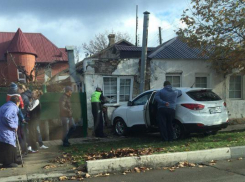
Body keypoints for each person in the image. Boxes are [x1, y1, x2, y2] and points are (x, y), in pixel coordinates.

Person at [6, 82, 27, 155]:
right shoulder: (18, 96)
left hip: (15, 120)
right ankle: (23, 150)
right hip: (18, 119)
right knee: (21, 135)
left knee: (18, 135)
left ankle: (22, 150)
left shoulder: (9, 95)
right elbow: (21, 107)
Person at [0, 96, 21, 168]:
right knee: (8, 144)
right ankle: (8, 162)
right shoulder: (13, 107)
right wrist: (14, 125)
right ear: (17, 102)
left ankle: (13, 159)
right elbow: (7, 116)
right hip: (6, 130)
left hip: (3, 129)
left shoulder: (6, 105)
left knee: (10, 144)